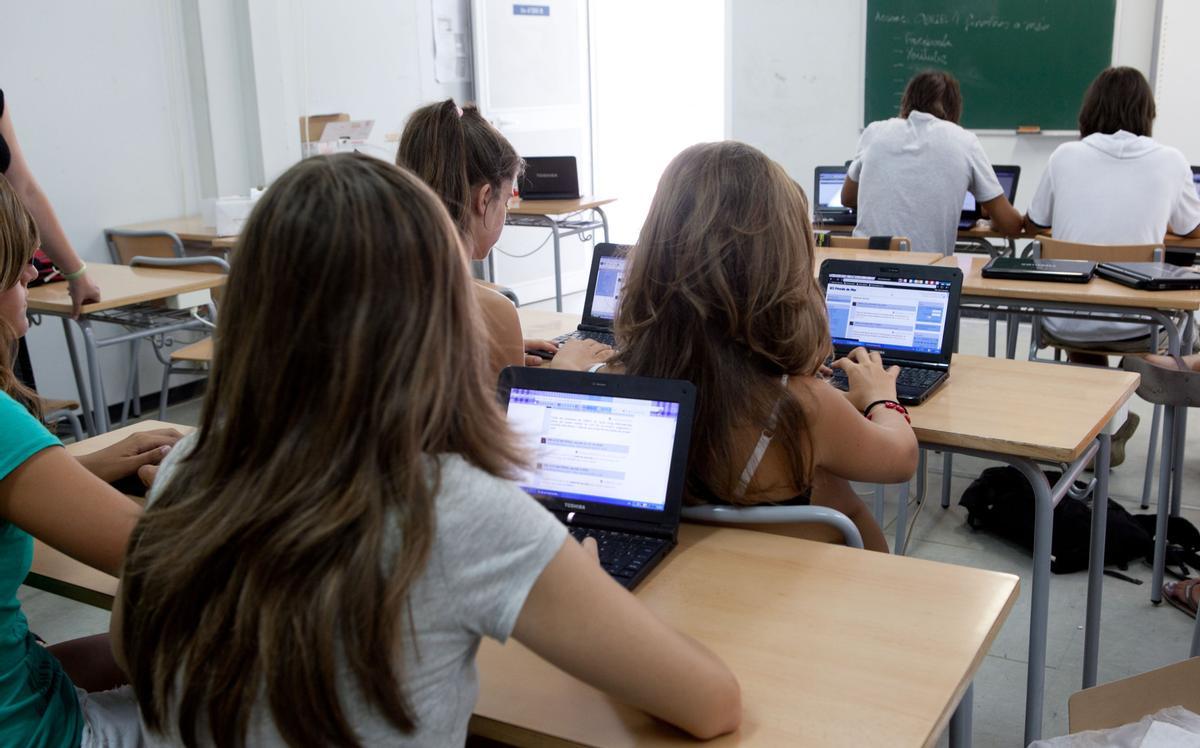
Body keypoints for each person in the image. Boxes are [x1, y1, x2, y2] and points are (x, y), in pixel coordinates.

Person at [113, 153, 740, 746]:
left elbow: (125, 645)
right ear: (439, 315)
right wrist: (589, 598)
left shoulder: (185, 470)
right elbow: (712, 703)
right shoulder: (455, 511)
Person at [604, 141, 918, 553]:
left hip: (670, 587)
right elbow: (901, 458)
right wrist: (881, 399)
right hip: (786, 601)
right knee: (837, 494)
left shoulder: (611, 383)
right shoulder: (803, 406)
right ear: (782, 270)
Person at [0, 173, 179, 746]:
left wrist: (81, 468)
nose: (33, 271)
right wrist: (183, 477)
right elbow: (168, 561)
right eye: (16, 259)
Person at [1023, 67, 1200, 462]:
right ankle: (1143, 379)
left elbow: (1034, 223)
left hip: (1063, 320)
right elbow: (1192, 228)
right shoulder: (1171, 160)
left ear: (1090, 110)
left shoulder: (1064, 155)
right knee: (1182, 320)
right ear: (1146, 112)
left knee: (1086, 307)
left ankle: (1103, 426)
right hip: (1143, 325)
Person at [397, 99, 609, 377]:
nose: (506, 214)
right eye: (507, 200)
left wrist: (497, 349)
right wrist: (564, 369)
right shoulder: (488, 309)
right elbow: (509, 418)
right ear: (485, 199)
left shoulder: (376, 289)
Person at [842, 70, 1023, 254]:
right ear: (954, 108)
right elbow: (1012, 226)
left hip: (863, 270)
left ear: (906, 100)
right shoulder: (964, 141)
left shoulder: (875, 132)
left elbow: (847, 198)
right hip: (926, 275)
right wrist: (993, 216)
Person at [1, 88, 102, 389]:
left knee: (13, 404)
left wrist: (75, 271)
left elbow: (25, 190)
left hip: (4, 269)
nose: (30, 275)